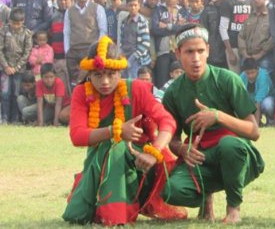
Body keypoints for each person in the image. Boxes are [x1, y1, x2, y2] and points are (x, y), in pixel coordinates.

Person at [62, 36, 186, 225]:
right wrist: (115, 131)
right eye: (98, 75)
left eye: (111, 74)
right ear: (89, 75)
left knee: (118, 148)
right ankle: (107, 207)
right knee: (76, 216)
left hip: (141, 164)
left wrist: (154, 152)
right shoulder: (82, 92)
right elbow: (77, 136)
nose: (104, 81)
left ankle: (116, 215)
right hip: (97, 163)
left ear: (120, 72)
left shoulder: (136, 89)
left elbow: (167, 121)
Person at [161, 25, 264, 224]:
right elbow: (171, 138)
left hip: (236, 154)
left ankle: (233, 208)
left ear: (208, 50)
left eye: (200, 51)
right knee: (171, 192)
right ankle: (206, 195)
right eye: (189, 52)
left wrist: (218, 116)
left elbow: (254, 131)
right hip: (200, 158)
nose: (196, 58)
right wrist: (183, 148)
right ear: (178, 53)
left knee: (229, 145)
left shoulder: (227, 80)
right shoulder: (173, 92)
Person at [64, 0, 107, 87]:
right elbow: (66, 32)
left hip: (90, 50)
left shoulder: (97, 8)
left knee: (91, 82)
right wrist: (67, 51)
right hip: (74, 52)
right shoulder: (69, 11)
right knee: (75, 84)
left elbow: (103, 30)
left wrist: (97, 50)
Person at [0, 8, 33, 123]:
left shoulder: (27, 34)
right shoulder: (3, 31)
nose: (15, 26)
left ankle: (15, 119)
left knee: (16, 94)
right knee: (4, 93)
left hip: (19, 70)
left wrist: (16, 67)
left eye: (18, 24)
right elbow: (0, 50)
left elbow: (27, 53)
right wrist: (6, 67)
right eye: (13, 23)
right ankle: (4, 118)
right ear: (9, 21)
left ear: (23, 22)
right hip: (4, 68)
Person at [151, 0, 186, 88]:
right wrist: (175, 27)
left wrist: (167, 26)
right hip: (163, 50)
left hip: (178, 50)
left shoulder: (182, 11)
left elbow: (183, 28)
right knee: (162, 80)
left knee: (180, 78)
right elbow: (155, 29)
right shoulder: (158, 10)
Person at [220, 0, 251, 73]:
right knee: (235, 77)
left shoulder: (251, 1)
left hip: (249, 47)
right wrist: (230, 52)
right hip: (233, 46)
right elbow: (222, 28)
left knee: (249, 76)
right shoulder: (228, 2)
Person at [238, 0, 273, 71]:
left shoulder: (271, 16)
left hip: (264, 58)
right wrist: (244, 53)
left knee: (264, 80)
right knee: (244, 80)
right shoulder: (250, 17)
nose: (256, 0)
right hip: (247, 57)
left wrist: (261, 54)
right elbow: (241, 36)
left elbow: (272, 38)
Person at [120, 0, 151, 79]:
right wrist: (121, 55)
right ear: (127, 6)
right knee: (124, 82)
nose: (133, 8)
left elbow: (145, 43)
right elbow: (122, 41)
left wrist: (132, 58)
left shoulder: (142, 21)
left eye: (135, 5)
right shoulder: (124, 22)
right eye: (130, 5)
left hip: (137, 59)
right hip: (125, 57)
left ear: (139, 6)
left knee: (134, 82)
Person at [201, 0, 230, 69]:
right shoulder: (208, 10)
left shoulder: (231, 9)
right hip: (212, 54)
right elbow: (203, 32)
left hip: (228, 53)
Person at [239, 57, 275, 127]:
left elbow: (258, 101)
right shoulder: (242, 77)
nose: (250, 75)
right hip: (251, 102)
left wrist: (256, 125)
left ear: (257, 69)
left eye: (252, 72)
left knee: (268, 104)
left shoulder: (263, 76)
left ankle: (271, 120)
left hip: (264, 101)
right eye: (247, 73)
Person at [51, 0, 71, 93]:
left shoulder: (74, 14)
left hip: (71, 59)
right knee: (62, 91)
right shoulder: (53, 15)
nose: (62, 2)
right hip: (57, 60)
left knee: (74, 88)